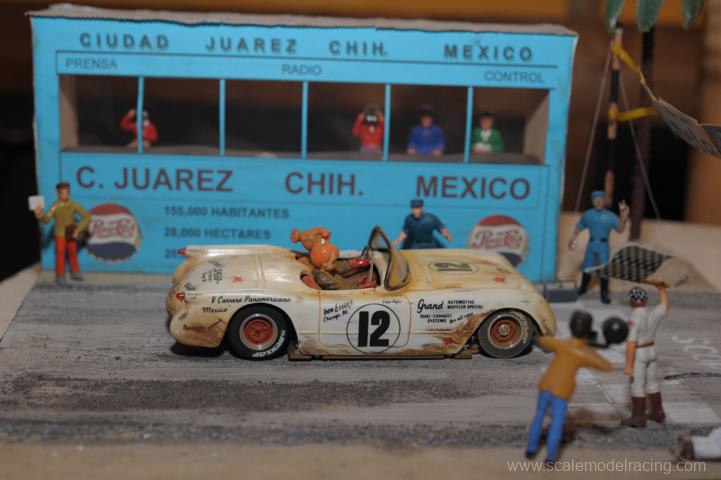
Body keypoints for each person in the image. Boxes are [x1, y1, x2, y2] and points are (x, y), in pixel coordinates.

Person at [526, 311, 613, 464]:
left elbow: (542, 340)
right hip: (561, 391)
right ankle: (551, 457)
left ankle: (531, 450)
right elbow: (606, 366)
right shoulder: (582, 352)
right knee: (557, 422)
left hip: (546, 384)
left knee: (539, 415)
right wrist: (591, 348)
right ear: (587, 331)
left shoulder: (561, 344)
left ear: (570, 327)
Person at [620, 280, 669, 428]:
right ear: (646, 301)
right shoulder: (652, 314)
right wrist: (662, 289)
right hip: (652, 351)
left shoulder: (635, 319)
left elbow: (631, 343)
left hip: (640, 353)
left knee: (637, 385)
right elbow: (664, 306)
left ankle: (638, 418)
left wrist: (629, 365)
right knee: (653, 383)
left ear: (631, 302)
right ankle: (658, 412)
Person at [568, 191, 630, 303]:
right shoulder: (588, 215)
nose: (599, 201)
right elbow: (580, 226)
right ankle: (583, 288)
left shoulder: (610, 216)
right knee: (586, 266)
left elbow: (620, 229)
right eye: (596, 199)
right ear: (592, 201)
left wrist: (623, 217)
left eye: (601, 199)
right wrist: (573, 237)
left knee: (605, 269)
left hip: (603, 246)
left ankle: (604, 293)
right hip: (591, 244)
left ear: (604, 200)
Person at [34, 182, 91, 286]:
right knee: (60, 254)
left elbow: (87, 217)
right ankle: (60, 275)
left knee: (73, 252)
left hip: (71, 232)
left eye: (66, 192)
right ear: (57, 193)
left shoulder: (74, 205)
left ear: (69, 192)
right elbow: (46, 219)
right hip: (60, 234)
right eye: (61, 192)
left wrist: (78, 228)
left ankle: (75, 271)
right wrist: (39, 214)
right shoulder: (55, 206)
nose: (64, 195)